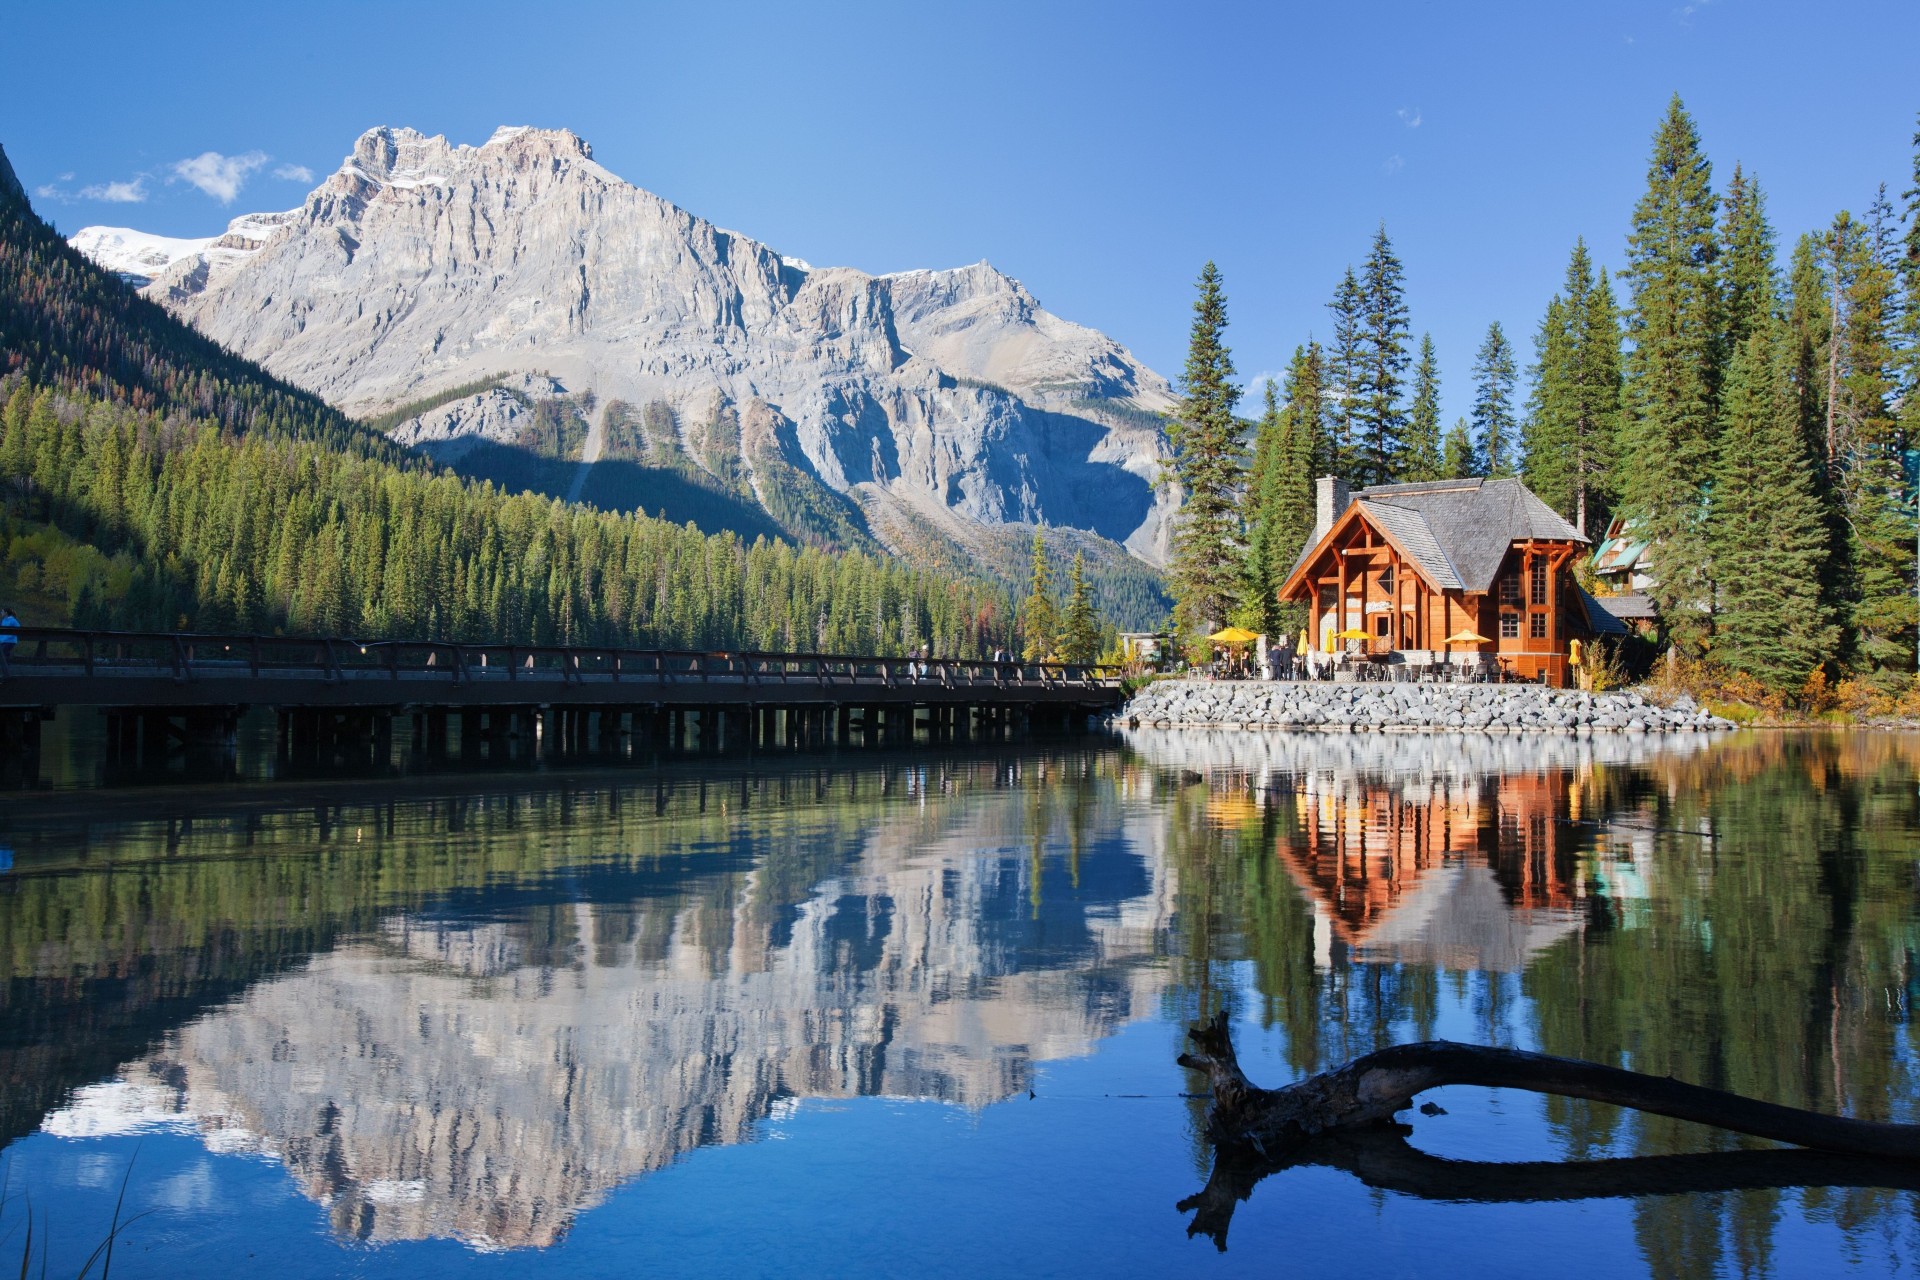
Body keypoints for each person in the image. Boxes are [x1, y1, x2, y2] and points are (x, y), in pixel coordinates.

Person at [0, 607, 16, 675]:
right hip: (3, 641)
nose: (1, 613)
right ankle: (7, 670)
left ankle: (6, 671)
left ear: (6, 613)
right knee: (5, 654)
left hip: (10, 641)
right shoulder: (3, 620)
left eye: (2, 611)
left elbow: (18, 630)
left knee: (3, 654)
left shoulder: (13, 621)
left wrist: (9, 637)